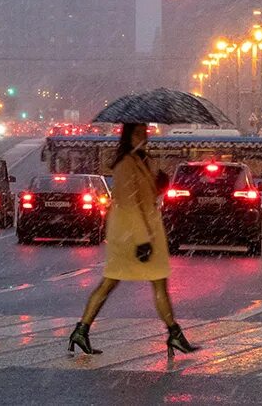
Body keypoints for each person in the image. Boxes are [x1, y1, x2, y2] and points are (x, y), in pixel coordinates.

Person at [68, 122, 198, 357]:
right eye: (139, 133)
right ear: (128, 136)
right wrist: (141, 240)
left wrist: (160, 183)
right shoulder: (125, 164)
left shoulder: (142, 160)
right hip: (131, 233)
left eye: (145, 133)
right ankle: (173, 335)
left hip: (144, 229)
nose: (144, 137)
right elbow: (130, 203)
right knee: (113, 282)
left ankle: (82, 331)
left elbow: (147, 195)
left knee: (142, 282)